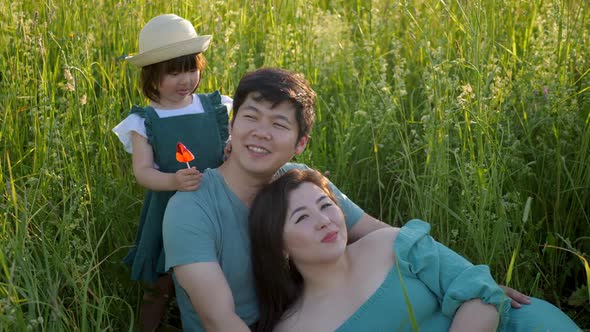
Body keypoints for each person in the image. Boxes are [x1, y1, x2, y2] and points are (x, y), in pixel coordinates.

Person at [162, 67, 529, 331]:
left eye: (279, 125)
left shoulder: (298, 180)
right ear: (232, 123)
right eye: (251, 117)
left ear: (300, 142)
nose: (261, 133)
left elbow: (378, 234)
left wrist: (458, 277)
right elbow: (218, 318)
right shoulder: (190, 207)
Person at [248, 168, 582, 332]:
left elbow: (480, 292)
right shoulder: (293, 327)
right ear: (280, 246)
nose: (323, 221)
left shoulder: (389, 243)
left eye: (326, 205)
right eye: (302, 217)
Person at [112, 14, 231, 331]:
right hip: (169, 210)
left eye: (191, 68)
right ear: (152, 76)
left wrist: (232, 151)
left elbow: (233, 148)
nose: (185, 79)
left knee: (222, 273)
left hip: (219, 204)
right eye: (173, 72)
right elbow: (143, 172)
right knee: (160, 283)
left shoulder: (215, 106)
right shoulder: (144, 121)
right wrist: (173, 181)